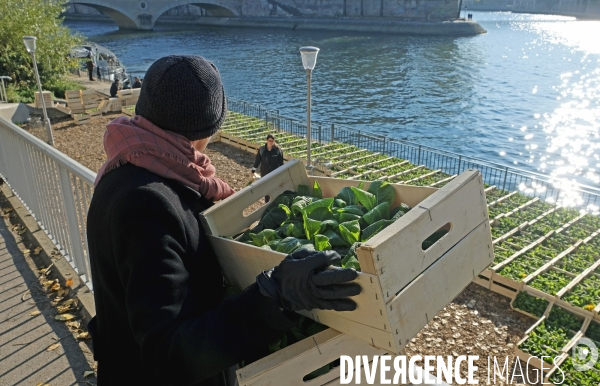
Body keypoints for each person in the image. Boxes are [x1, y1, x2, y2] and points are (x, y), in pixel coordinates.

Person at [86, 55, 360, 386]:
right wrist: (274, 294)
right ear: (212, 127)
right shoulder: (148, 203)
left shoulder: (125, 167)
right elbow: (167, 354)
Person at [251, 134, 284, 202]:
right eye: (269, 141)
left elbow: (281, 163)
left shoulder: (278, 150)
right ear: (266, 140)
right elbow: (257, 161)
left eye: (272, 141)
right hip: (264, 172)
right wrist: (253, 171)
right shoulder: (262, 150)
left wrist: (282, 173)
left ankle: (273, 203)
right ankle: (266, 204)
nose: (271, 142)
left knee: (274, 189)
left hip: (274, 173)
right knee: (266, 190)